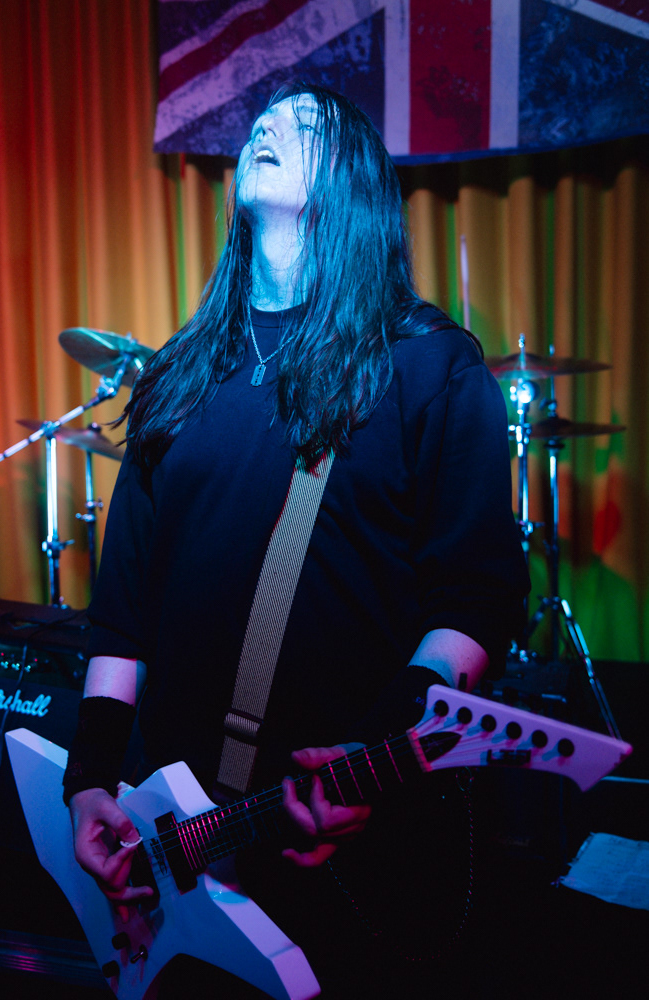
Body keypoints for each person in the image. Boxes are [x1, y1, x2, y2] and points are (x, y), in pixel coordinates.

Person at [64, 83, 529, 997]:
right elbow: (121, 616)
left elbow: (474, 601)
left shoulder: (428, 363)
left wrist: (377, 753)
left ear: (354, 179)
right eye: (262, 120)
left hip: (351, 845)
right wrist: (90, 780)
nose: (266, 125)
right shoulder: (178, 374)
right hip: (175, 835)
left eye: (302, 123)